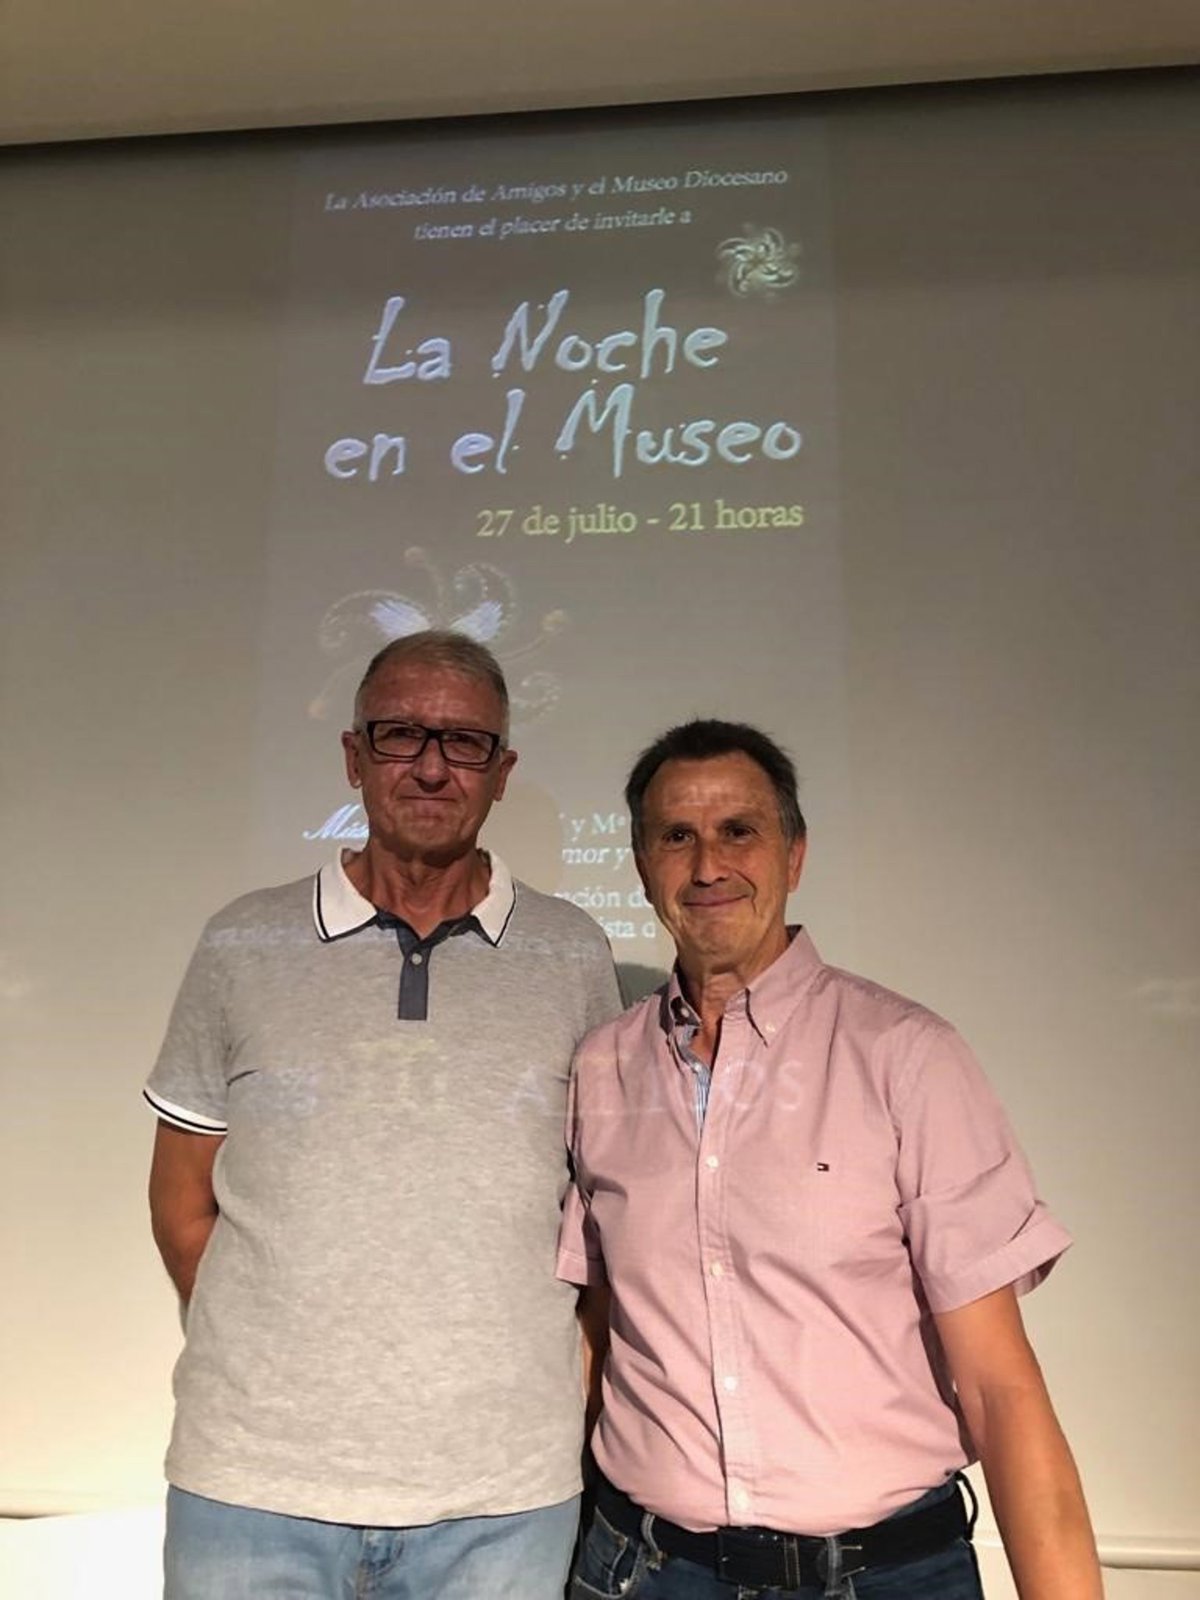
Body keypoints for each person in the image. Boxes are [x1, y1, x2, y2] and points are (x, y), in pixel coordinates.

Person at [560, 719, 1102, 1600]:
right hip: (646, 1571)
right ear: (641, 865)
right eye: (677, 837)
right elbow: (600, 1328)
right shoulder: (603, 1067)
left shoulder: (906, 1057)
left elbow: (1001, 1387)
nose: (708, 866)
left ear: (795, 854)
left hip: (883, 1576)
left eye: (739, 831)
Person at [145, 629, 621, 1600]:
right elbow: (182, 1202)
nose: (432, 767)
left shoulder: (572, 953)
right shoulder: (243, 940)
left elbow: (602, 1211)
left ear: (502, 772)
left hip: (501, 1502)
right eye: (400, 734)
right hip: (253, 1487)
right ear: (353, 757)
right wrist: (279, 1355)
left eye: (465, 742)